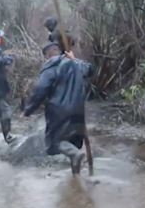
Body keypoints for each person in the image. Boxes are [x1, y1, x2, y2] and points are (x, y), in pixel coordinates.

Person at [23, 42, 93, 174]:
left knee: (55, 142)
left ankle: (75, 156)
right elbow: (90, 70)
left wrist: (28, 110)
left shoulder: (50, 67)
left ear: (47, 55)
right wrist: (75, 59)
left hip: (59, 112)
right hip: (79, 111)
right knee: (73, 143)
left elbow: (40, 90)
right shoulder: (75, 63)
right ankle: (76, 179)